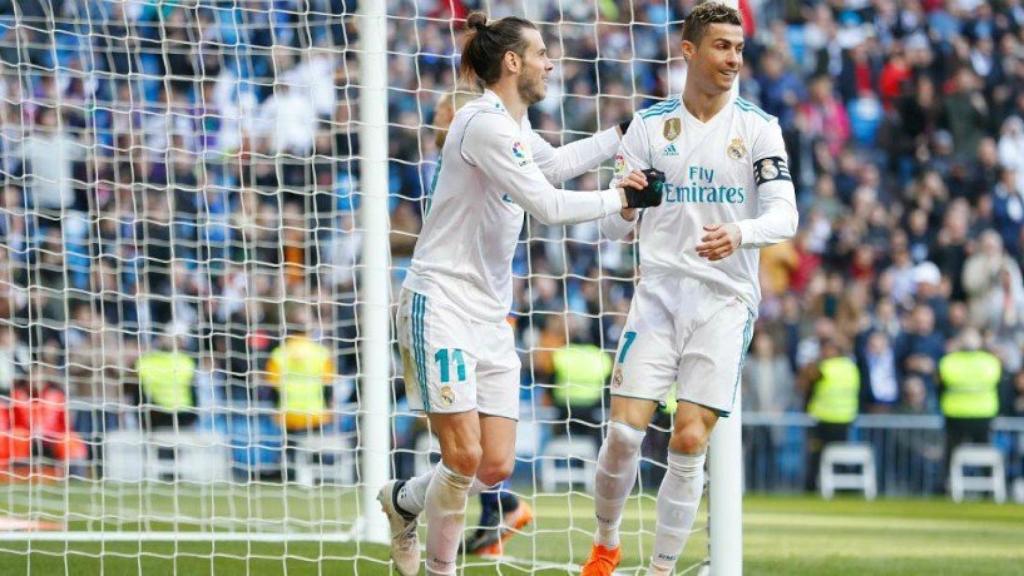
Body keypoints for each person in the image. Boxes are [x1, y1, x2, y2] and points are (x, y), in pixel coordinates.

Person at [376, 12, 663, 576]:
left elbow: (553, 164)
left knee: (494, 464)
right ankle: (440, 569)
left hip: (487, 313)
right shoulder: (481, 122)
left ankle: (403, 501)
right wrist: (618, 199)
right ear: (513, 62)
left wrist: (620, 135)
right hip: (440, 303)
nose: (551, 63)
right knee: (461, 456)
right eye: (541, 54)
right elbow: (549, 205)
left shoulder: (512, 126)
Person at [580, 3, 798, 574]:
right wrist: (624, 203)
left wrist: (740, 233)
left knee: (689, 437)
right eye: (722, 46)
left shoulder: (758, 127)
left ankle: (661, 569)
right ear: (689, 51)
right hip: (658, 293)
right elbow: (608, 224)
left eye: (739, 48)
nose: (732, 58)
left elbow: (786, 217)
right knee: (624, 435)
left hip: (725, 300)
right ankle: (606, 543)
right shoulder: (650, 126)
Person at [799, 337, 860, 491]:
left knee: (816, 455)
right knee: (840, 456)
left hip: (823, 419)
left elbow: (804, 384)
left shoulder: (824, 367)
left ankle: (811, 488)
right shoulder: (851, 368)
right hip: (846, 419)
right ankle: (845, 489)